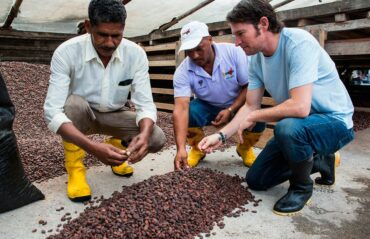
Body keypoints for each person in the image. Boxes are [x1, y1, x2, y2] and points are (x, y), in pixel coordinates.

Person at [199, 0, 354, 216]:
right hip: (303, 126)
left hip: (334, 122)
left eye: (241, 34)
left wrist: (256, 114)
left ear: (263, 24)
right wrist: (221, 136)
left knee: (288, 128)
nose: (236, 43)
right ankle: (320, 159)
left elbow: (300, 107)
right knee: (257, 180)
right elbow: (250, 105)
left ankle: (301, 188)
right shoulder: (256, 60)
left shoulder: (298, 43)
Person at [44, 0, 166, 202]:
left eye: (116, 36)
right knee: (72, 106)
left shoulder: (135, 54)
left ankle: (117, 153)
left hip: (115, 114)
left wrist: (143, 135)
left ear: (123, 30)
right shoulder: (66, 52)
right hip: (82, 115)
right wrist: (93, 149)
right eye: (102, 35)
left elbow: (145, 105)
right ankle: (76, 170)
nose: (110, 43)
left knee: (156, 138)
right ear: (88, 26)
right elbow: (52, 111)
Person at [173, 21, 265, 170]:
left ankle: (245, 148)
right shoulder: (183, 71)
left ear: (209, 40)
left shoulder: (233, 52)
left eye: (199, 49)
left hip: (238, 103)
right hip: (207, 105)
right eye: (189, 51)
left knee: (258, 116)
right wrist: (180, 149)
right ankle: (197, 148)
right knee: (190, 112)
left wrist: (231, 109)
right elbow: (180, 109)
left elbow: (247, 85)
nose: (194, 55)